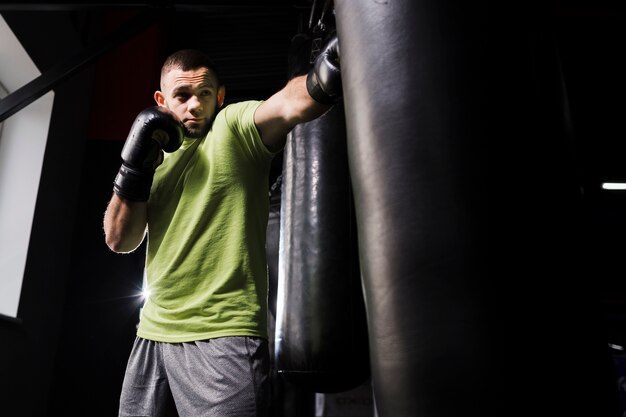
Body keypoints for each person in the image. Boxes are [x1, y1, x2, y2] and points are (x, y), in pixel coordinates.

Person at [103, 35, 341, 417]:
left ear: (220, 96)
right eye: (182, 95)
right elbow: (119, 239)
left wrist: (323, 77)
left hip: (223, 336)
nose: (195, 104)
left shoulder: (233, 128)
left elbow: (287, 105)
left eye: (205, 93)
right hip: (152, 335)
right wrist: (132, 170)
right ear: (161, 101)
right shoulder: (153, 155)